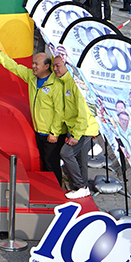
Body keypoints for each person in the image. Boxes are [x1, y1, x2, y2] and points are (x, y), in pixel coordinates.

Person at [0, 41, 64, 184]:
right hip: (39, 130)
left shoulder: (56, 84)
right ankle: (46, 189)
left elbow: (60, 111)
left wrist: (55, 132)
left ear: (46, 66)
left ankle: (56, 189)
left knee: (52, 163)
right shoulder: (32, 77)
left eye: (36, 64)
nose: (33, 67)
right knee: (44, 163)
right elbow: (15, 67)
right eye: (33, 63)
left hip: (52, 134)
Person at [52, 55, 97, 199]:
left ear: (67, 65)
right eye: (54, 65)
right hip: (78, 128)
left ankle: (81, 185)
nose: (55, 69)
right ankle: (83, 189)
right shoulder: (65, 82)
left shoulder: (75, 84)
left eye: (58, 65)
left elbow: (83, 113)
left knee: (66, 153)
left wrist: (76, 135)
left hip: (84, 129)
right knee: (81, 160)